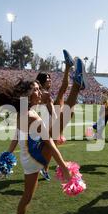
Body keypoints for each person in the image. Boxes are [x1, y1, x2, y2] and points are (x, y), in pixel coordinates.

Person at [0, 57, 87, 214]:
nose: (40, 91)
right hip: (34, 157)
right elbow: (50, 144)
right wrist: (63, 167)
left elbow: (17, 134)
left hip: (28, 155)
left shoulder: (23, 110)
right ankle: (76, 86)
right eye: (36, 90)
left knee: (27, 196)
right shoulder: (32, 116)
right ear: (28, 96)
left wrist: (8, 153)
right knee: (60, 123)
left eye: (39, 88)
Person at [35, 50, 74, 181]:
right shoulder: (42, 94)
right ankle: (43, 169)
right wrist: (58, 124)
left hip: (47, 124)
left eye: (50, 78)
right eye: (47, 79)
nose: (50, 80)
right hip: (44, 126)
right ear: (40, 81)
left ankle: (43, 169)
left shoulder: (44, 93)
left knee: (51, 149)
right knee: (50, 149)